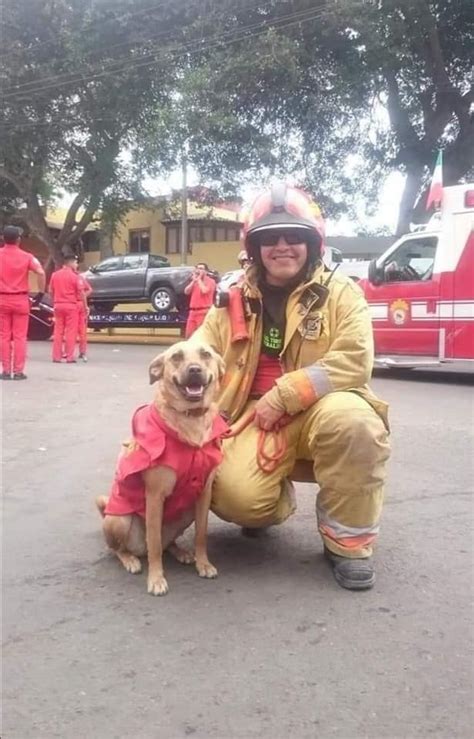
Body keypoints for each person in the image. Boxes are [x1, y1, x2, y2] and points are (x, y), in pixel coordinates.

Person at [191, 182, 391, 591]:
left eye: (294, 236)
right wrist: (166, 401)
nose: (283, 246)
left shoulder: (342, 293)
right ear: (255, 246)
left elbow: (355, 359)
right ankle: (270, 498)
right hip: (252, 417)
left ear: (312, 244)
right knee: (234, 497)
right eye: (270, 238)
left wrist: (285, 394)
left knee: (356, 426)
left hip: (323, 410)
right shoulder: (232, 299)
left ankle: (347, 544)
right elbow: (198, 351)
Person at [0, 225, 46, 380]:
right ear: (18, 239)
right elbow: (40, 272)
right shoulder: (27, 256)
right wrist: (40, 292)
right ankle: (18, 371)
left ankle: (5, 371)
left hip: (2, 300)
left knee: (3, 336)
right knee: (20, 337)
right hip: (20, 300)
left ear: (3, 239)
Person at [49, 254, 86, 363]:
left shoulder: (54, 275)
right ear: (70, 263)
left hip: (58, 305)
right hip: (71, 306)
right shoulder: (75, 277)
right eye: (75, 263)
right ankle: (69, 357)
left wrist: (55, 301)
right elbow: (82, 293)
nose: (76, 265)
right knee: (71, 332)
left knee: (58, 331)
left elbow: (51, 291)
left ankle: (56, 357)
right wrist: (85, 306)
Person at [184, 262, 216, 338]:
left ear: (206, 271)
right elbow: (186, 291)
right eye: (197, 268)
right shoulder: (195, 281)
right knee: (189, 335)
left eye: (201, 268)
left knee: (202, 336)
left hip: (203, 311)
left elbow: (205, 291)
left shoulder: (210, 281)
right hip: (192, 312)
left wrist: (199, 280)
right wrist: (193, 281)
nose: (199, 270)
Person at [73, 259, 92, 362]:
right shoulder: (79, 278)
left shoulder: (75, 278)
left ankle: (69, 353)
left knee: (72, 330)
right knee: (82, 330)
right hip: (80, 304)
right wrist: (85, 303)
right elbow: (89, 289)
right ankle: (82, 352)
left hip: (74, 304)